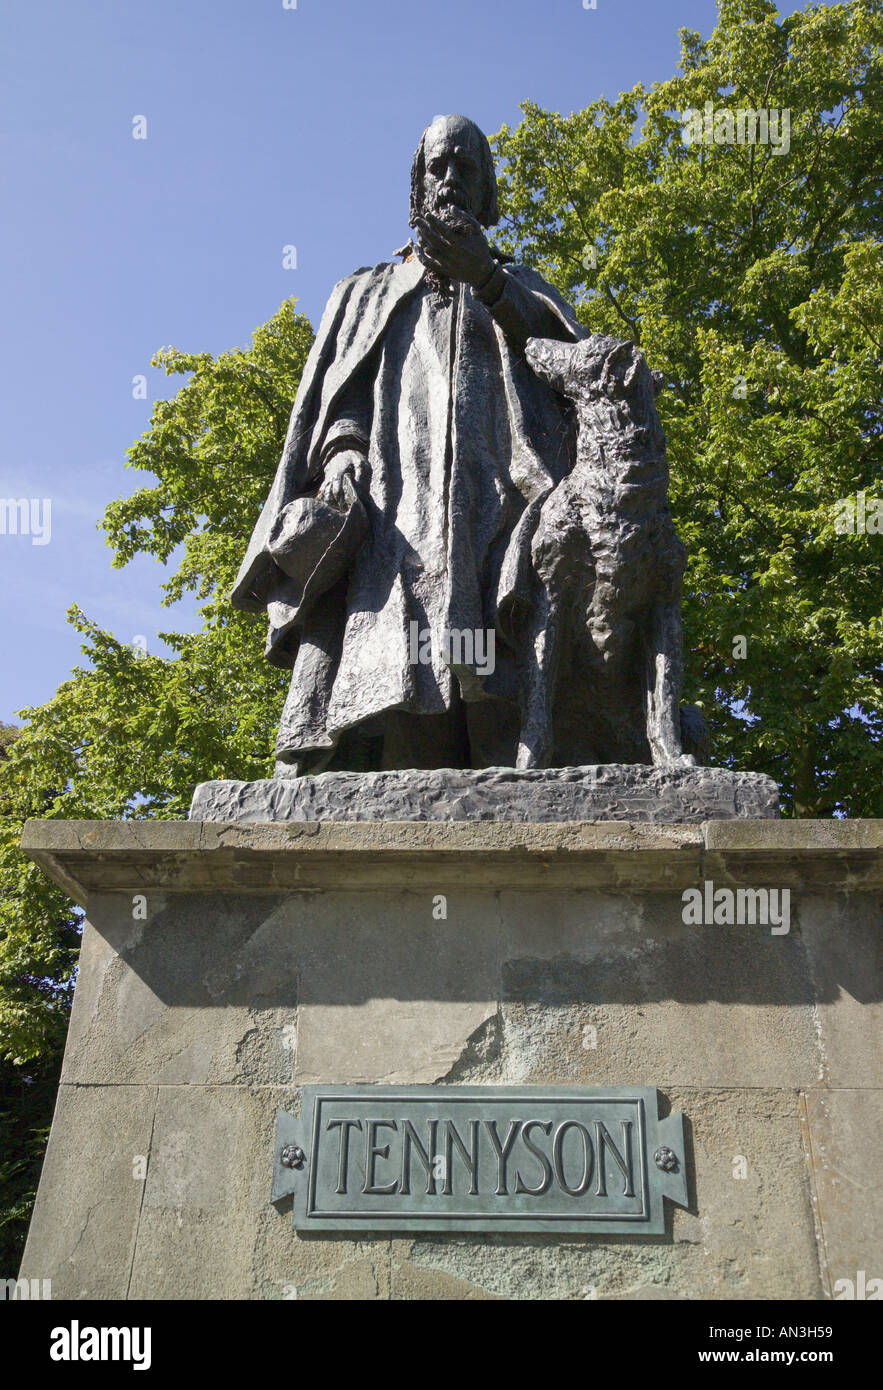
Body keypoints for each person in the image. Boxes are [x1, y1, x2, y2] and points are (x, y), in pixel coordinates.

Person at [232, 114, 583, 774]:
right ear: (416, 185)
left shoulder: (518, 284)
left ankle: (515, 797)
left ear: (486, 191)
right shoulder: (365, 291)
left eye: (465, 168)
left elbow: (572, 365)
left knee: (496, 673)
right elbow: (343, 394)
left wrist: (491, 283)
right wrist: (340, 448)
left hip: (498, 501)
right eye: (437, 166)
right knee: (402, 674)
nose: (450, 178)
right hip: (399, 512)